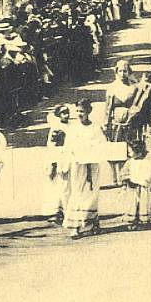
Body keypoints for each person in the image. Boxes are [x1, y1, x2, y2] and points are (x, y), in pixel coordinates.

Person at [63, 99, 106, 239]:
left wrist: (92, 148)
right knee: (77, 192)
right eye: (77, 111)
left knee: (92, 193)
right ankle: (75, 226)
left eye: (82, 111)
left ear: (88, 112)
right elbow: (68, 146)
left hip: (92, 164)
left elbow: (102, 143)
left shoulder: (95, 127)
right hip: (78, 164)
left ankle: (92, 223)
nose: (79, 114)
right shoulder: (73, 128)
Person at [43, 105, 72, 224]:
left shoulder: (72, 126)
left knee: (66, 185)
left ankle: (67, 211)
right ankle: (56, 211)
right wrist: (53, 162)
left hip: (68, 157)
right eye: (64, 113)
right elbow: (51, 146)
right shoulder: (56, 128)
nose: (66, 115)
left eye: (68, 113)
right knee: (56, 185)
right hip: (58, 158)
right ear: (59, 115)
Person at [121, 140, 151, 230]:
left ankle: (143, 220)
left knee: (142, 203)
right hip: (132, 188)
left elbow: (149, 174)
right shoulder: (130, 162)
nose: (129, 154)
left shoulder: (146, 162)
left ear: (139, 152)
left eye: (131, 152)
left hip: (141, 187)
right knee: (132, 203)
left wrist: (142, 182)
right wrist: (126, 180)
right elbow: (124, 172)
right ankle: (133, 220)